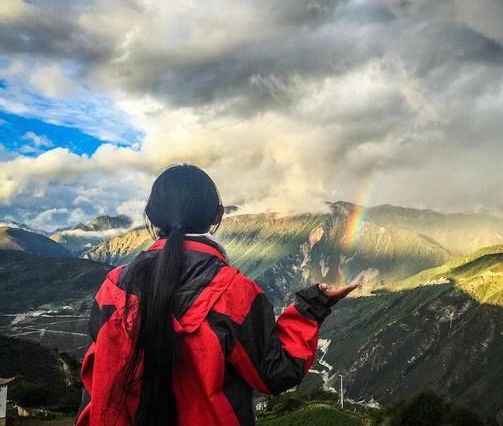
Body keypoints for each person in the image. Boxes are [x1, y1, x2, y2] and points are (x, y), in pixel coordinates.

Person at [76, 164, 358, 426]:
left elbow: (94, 382)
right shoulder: (235, 292)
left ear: (151, 216)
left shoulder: (112, 289)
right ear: (218, 216)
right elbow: (276, 374)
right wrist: (313, 306)